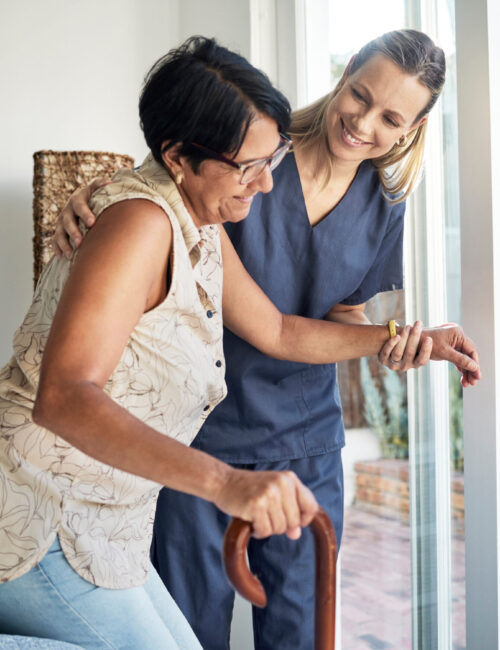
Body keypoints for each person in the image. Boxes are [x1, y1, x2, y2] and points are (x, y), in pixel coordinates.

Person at [52, 32, 480, 650]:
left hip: (304, 443)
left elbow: (343, 317)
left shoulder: (385, 205)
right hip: (201, 437)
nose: (362, 122)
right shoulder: (254, 155)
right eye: (359, 95)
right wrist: (93, 195)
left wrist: (390, 343)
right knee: (187, 634)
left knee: (303, 634)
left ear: (412, 129)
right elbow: (168, 180)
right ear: (347, 71)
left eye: (390, 117)